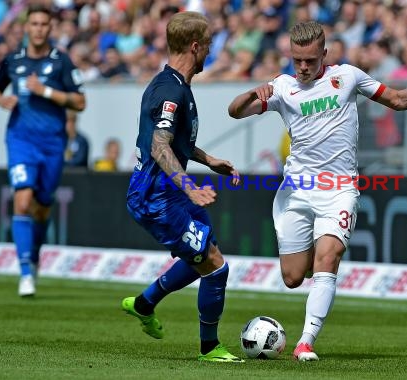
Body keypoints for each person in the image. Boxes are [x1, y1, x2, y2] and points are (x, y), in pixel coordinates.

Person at [228, 21, 407, 361]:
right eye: (297, 60)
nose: (304, 67)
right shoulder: (282, 87)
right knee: (294, 277)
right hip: (297, 189)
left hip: (339, 189)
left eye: (310, 60)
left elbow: (398, 100)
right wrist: (255, 92)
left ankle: (305, 342)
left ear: (324, 54)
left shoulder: (348, 77)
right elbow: (235, 112)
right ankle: (318, 258)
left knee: (328, 258)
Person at [121, 11, 243, 363]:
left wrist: (208, 160)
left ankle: (144, 304)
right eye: (207, 46)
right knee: (216, 266)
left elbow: (172, 142)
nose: (210, 53)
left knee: (204, 251)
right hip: (156, 197)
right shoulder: (170, 90)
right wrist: (191, 188)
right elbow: (160, 147)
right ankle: (209, 348)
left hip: (168, 191)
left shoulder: (175, 84)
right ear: (194, 46)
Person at [0, 4, 86, 297]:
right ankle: (25, 271)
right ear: (26, 28)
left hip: (53, 142)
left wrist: (45, 91)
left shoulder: (62, 62)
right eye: (35, 24)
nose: (39, 29)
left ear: (50, 29)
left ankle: (36, 253)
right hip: (20, 139)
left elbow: (80, 102)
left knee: (42, 206)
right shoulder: (13, 59)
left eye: (44, 24)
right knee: (23, 198)